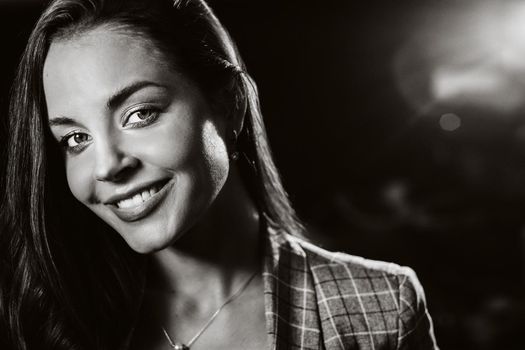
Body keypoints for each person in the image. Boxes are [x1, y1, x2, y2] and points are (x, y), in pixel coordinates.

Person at [0, 0, 439, 349]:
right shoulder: (42, 319)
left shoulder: (380, 306)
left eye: (139, 114)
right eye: (75, 139)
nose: (107, 166)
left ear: (229, 107)